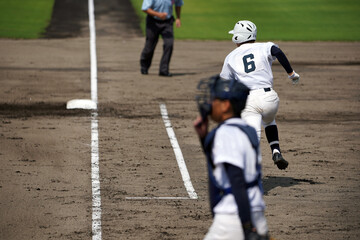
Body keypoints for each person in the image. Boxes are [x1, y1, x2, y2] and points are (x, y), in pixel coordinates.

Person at [194, 75, 270, 240]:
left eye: (214, 99)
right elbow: (219, 168)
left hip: (234, 218)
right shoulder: (246, 130)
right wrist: (204, 138)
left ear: (226, 105)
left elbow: (236, 180)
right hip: (254, 211)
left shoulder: (226, 134)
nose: (209, 103)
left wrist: (247, 228)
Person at [220, 20, 300, 170]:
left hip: (249, 101)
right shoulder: (265, 46)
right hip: (270, 98)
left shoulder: (230, 57)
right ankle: (276, 151)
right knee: (269, 121)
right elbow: (278, 52)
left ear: (238, 37)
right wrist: (291, 73)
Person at [140, 0, 184, 77]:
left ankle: (164, 70)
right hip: (153, 22)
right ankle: (144, 66)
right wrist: (158, 14)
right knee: (149, 46)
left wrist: (178, 18)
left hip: (167, 22)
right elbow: (145, 8)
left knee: (169, 44)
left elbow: (178, 3)